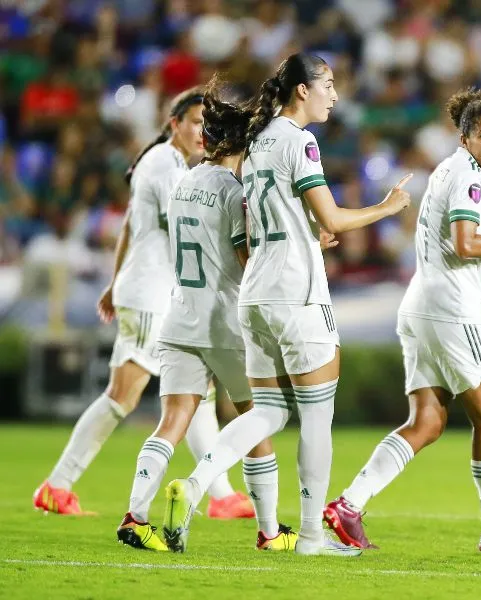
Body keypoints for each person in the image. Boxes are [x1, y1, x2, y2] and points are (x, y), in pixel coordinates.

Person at [162, 53, 409, 557]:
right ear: (303, 90)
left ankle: (194, 484)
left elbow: (267, 228)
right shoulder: (301, 142)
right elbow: (335, 219)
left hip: (255, 293)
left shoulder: (254, 142)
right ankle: (313, 538)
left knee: (269, 412)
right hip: (298, 293)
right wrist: (386, 208)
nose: (335, 94)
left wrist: (307, 238)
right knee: (316, 420)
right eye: (329, 84)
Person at [323, 88, 481, 553]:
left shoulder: (449, 170)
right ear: (466, 137)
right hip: (451, 312)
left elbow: (455, 245)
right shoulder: (472, 180)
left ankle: (349, 504)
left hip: (421, 307)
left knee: (426, 420)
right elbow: (467, 244)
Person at [33, 88, 251, 519]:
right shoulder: (165, 165)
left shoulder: (165, 164)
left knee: (200, 393)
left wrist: (115, 283)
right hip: (154, 293)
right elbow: (189, 224)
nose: (202, 133)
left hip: (154, 289)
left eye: (205, 125)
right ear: (175, 125)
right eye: (193, 123)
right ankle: (58, 484)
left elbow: (132, 225)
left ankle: (222, 496)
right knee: (123, 394)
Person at [117, 81, 303, 552]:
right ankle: (269, 531)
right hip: (224, 322)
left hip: (178, 319)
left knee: (172, 419)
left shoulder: (184, 183)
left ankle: (136, 518)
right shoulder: (234, 191)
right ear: (243, 143)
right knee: (257, 418)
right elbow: (246, 258)